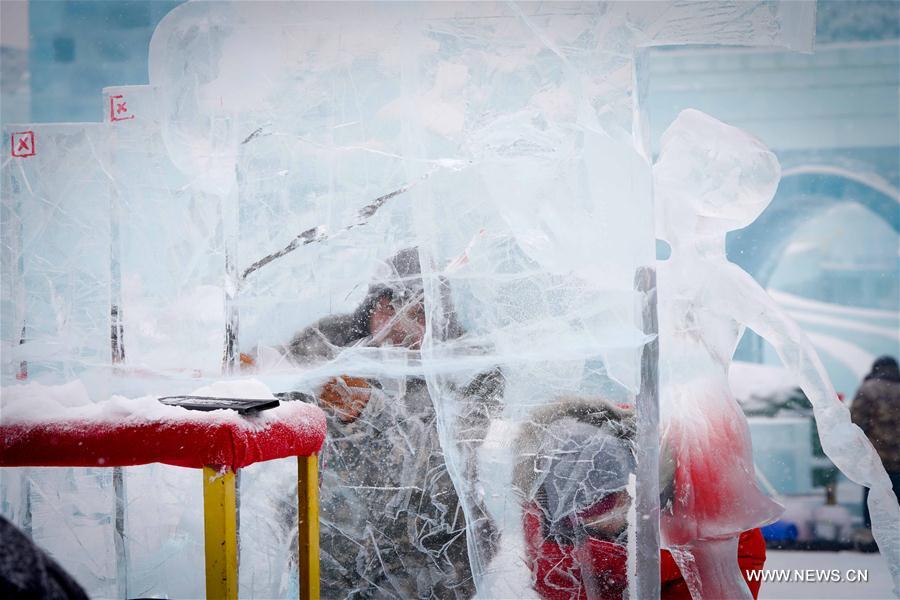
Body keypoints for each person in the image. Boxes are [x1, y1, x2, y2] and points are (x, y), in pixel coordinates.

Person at [271, 247, 504, 599]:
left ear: (440, 317)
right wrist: (256, 370)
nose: (400, 325)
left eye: (418, 312)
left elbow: (443, 467)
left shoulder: (465, 367)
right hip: (332, 540)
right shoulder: (331, 343)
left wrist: (372, 413)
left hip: (427, 551)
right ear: (370, 306)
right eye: (389, 306)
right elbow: (278, 382)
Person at [514, 398, 767, 600]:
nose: (587, 521)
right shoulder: (551, 544)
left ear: (636, 491)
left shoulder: (721, 538)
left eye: (602, 502)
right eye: (571, 512)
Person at [850, 355, 900, 546]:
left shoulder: (868, 389)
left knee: (876, 499)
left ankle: (873, 538)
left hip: (877, 459)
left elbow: (855, 423)